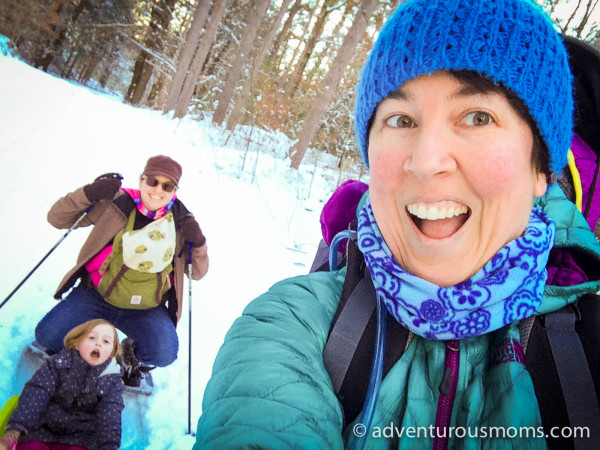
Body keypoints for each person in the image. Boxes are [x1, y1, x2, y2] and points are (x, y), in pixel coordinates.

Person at [194, 0, 600, 448]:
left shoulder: (587, 354)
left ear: (542, 169)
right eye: (401, 119)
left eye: (477, 117)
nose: (426, 162)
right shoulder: (296, 324)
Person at [35, 155, 208, 379]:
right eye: (152, 181)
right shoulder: (118, 203)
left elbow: (198, 272)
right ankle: (81, 348)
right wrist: (88, 193)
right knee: (47, 336)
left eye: (167, 185)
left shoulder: (181, 222)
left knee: (164, 353)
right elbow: (57, 218)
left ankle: (130, 352)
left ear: (175, 190)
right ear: (141, 180)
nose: (157, 190)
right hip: (96, 296)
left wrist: (199, 243)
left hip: (146, 308)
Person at [0, 319, 123, 450]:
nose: (98, 344)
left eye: (106, 341)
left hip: (82, 438)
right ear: (77, 342)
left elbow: (110, 414)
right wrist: (14, 431)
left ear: (112, 352)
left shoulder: (112, 381)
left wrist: (108, 446)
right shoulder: (57, 365)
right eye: (92, 338)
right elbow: (36, 394)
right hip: (42, 429)